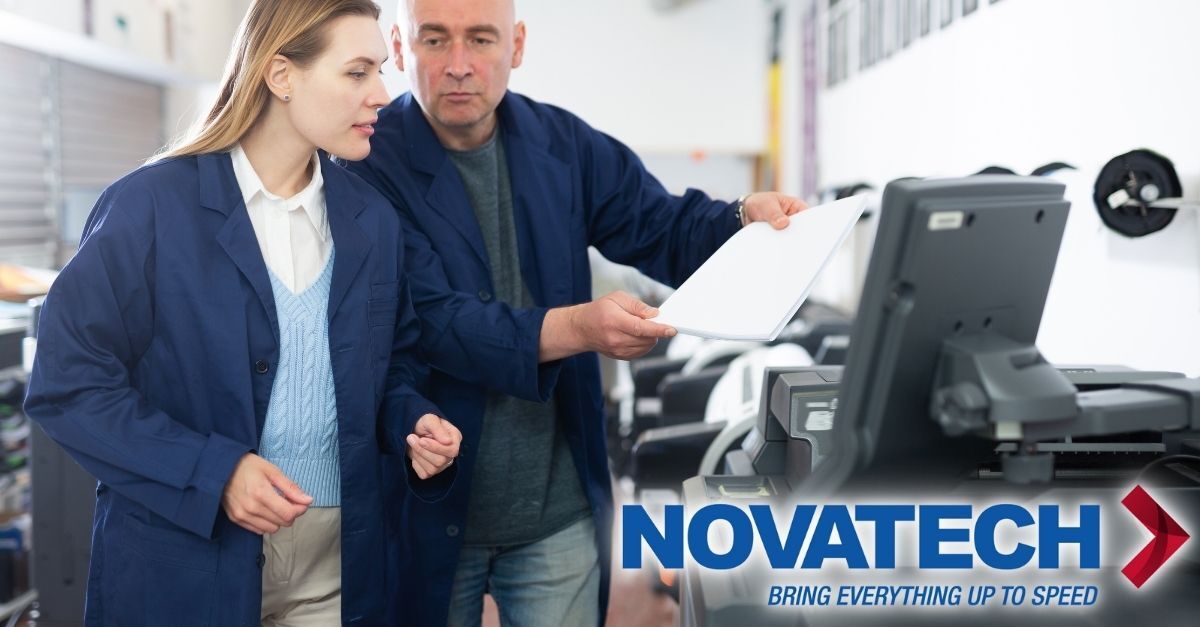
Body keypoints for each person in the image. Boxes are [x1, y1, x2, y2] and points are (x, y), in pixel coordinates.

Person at [343, 0, 807, 624]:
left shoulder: (563, 146)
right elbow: (431, 318)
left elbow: (662, 225)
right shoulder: (364, 164)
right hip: (426, 504)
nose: (459, 65)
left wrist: (739, 219)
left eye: (481, 39)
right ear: (399, 48)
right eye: (435, 40)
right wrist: (580, 327)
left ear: (518, 45)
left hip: (556, 508)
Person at [23, 0, 461, 624]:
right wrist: (216, 473)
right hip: (185, 564)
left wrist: (413, 422)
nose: (383, 95)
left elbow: (392, 368)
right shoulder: (148, 207)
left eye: (380, 70)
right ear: (281, 75)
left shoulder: (373, 223)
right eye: (358, 72)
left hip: (338, 565)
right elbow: (68, 386)